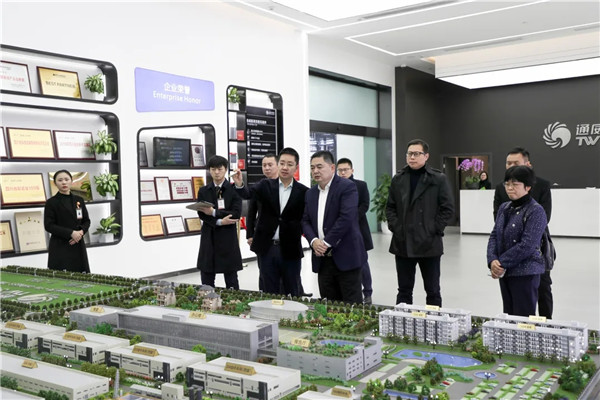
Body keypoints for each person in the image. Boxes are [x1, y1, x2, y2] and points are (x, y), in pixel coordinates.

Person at [386, 139, 454, 306]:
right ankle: (403, 320)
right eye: (409, 153)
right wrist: (396, 228)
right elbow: (390, 207)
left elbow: (447, 208)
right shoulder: (398, 179)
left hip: (429, 243)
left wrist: (434, 229)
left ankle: (434, 320)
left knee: (433, 290)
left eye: (417, 154)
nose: (412, 157)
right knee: (404, 290)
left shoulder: (438, 179)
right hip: (403, 242)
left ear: (426, 156)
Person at [233, 148, 308, 296]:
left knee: (292, 290)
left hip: (290, 248)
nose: (285, 167)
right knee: (269, 290)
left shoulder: (304, 192)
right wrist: (239, 184)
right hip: (267, 248)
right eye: (282, 163)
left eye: (290, 164)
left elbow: (306, 219)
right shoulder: (265, 185)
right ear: (278, 164)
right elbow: (247, 194)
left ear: (296, 167)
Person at [493, 147, 553, 319]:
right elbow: (496, 228)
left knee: (541, 290)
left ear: (528, 164)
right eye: (508, 163)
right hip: (508, 253)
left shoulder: (541, 188)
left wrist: (501, 261)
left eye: (516, 163)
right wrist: (493, 260)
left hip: (535, 250)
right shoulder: (502, 191)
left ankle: (546, 324)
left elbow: (543, 219)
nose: (510, 188)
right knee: (511, 309)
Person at [302, 151, 366, 304]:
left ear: (332, 167)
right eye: (312, 168)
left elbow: (346, 218)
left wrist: (325, 243)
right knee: (329, 305)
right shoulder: (310, 193)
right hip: (323, 260)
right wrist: (314, 241)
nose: (315, 171)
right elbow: (305, 220)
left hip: (346, 257)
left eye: (319, 167)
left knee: (352, 306)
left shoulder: (347, 187)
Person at [196, 155, 242, 289]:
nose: (216, 172)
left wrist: (214, 212)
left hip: (228, 238)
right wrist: (220, 221)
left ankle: (234, 301)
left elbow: (236, 213)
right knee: (206, 279)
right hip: (209, 238)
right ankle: (207, 300)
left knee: (231, 280)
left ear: (226, 169)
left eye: (220, 169)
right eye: (213, 169)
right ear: (209, 170)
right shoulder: (203, 191)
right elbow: (201, 214)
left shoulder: (234, 190)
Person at [336, 157, 374, 304]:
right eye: (340, 170)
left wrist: (350, 218)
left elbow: (365, 205)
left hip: (358, 228)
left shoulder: (361, 185)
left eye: (345, 170)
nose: (343, 172)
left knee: (362, 262)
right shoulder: (334, 186)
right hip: (340, 231)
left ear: (352, 170)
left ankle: (368, 292)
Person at [44, 169, 91, 273]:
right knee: (61, 277)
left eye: (66, 179)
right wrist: (71, 233)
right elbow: (49, 225)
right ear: (55, 183)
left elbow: (86, 221)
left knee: (81, 276)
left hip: (78, 244)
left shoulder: (79, 200)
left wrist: (80, 233)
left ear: (71, 181)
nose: (64, 182)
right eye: (60, 180)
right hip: (60, 246)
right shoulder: (51, 202)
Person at [246, 153, 279, 291]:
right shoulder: (258, 187)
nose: (267, 168)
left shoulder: (285, 185)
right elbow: (251, 212)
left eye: (270, 165)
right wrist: (250, 234)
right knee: (265, 274)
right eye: (264, 165)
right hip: (263, 237)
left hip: (283, 238)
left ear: (278, 165)